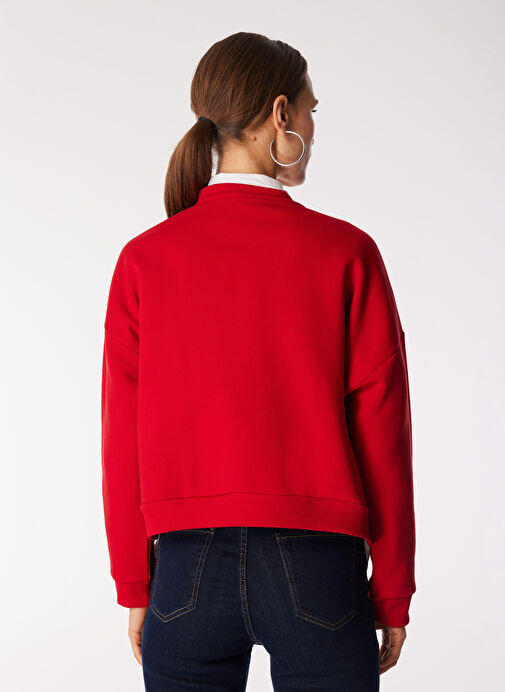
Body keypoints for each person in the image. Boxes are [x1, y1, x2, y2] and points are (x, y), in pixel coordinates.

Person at [101, 31, 416, 691]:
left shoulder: (145, 259)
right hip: (318, 566)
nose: (311, 126)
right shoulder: (345, 252)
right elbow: (382, 431)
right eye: (310, 110)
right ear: (280, 114)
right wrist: (391, 590)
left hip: (184, 566)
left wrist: (134, 582)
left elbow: (121, 435)